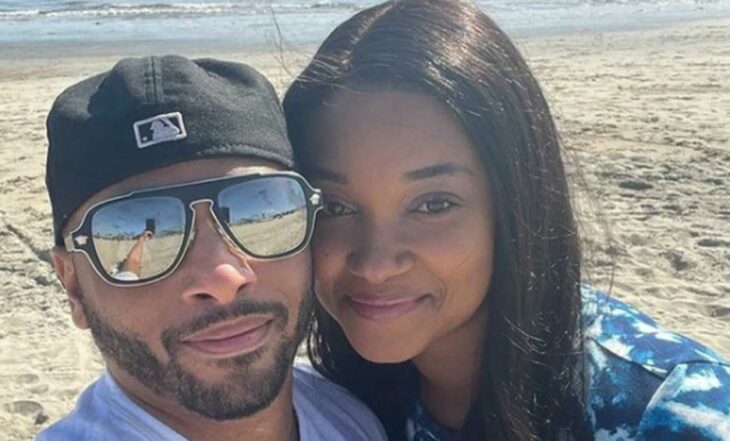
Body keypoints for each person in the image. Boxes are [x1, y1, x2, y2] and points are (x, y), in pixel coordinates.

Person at [283, 0, 730, 439]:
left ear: (515, 203)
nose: (375, 264)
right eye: (336, 208)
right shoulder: (336, 403)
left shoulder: (670, 414)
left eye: (434, 204)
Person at [38, 55, 387, 441]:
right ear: (73, 287)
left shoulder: (349, 416)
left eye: (261, 210)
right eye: (134, 229)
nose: (223, 277)